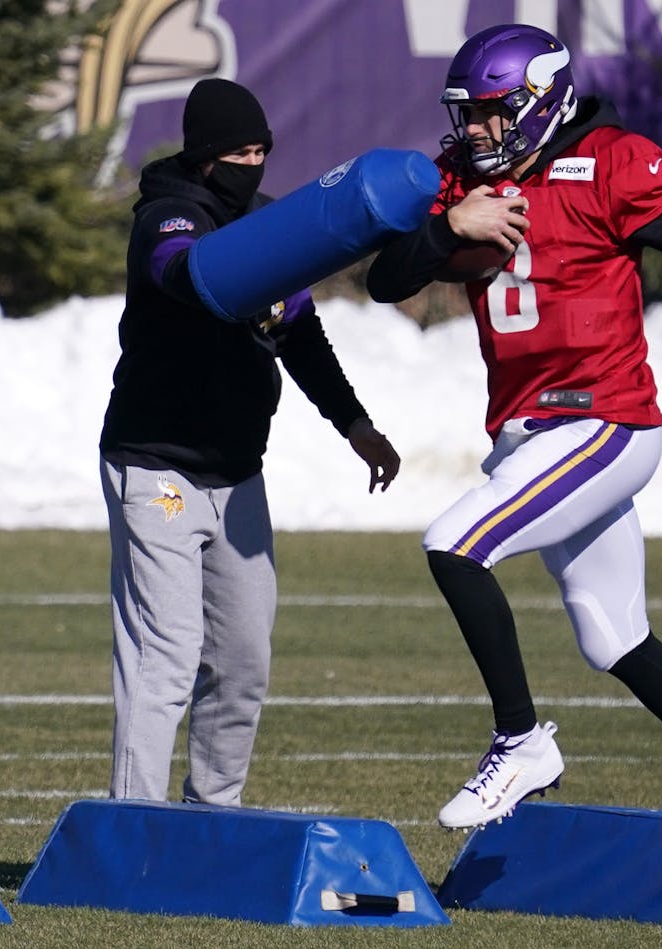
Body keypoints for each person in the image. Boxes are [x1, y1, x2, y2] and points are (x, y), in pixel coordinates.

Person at [367, 24, 662, 830]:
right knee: (616, 639)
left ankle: (521, 742)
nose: (474, 133)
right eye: (466, 116)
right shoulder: (457, 185)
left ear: (542, 101)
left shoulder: (608, 162)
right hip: (529, 433)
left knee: (455, 544)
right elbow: (384, 278)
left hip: (604, 419)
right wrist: (447, 230)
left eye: (492, 114)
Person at [100, 77, 401, 806]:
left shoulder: (268, 225)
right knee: (166, 651)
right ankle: (132, 822)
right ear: (205, 155)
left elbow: (301, 333)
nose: (255, 160)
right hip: (158, 465)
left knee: (242, 658)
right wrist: (232, 279)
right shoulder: (167, 216)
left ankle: (214, 812)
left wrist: (354, 424)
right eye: (240, 150)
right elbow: (178, 271)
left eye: (264, 148)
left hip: (237, 473)